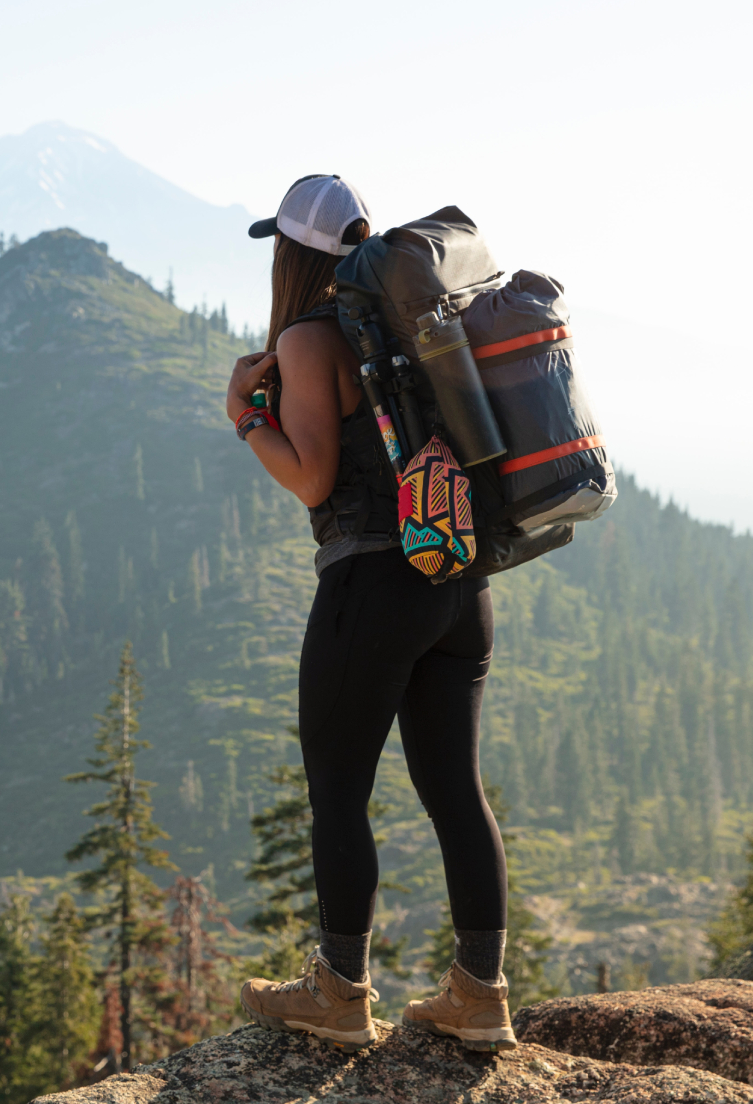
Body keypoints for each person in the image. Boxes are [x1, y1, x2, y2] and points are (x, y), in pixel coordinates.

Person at [230, 175, 517, 1053]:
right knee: (454, 791)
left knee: (338, 791)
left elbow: (315, 478)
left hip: (373, 584)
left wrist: (246, 418)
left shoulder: (311, 338)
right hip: (459, 580)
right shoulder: (413, 323)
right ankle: (480, 993)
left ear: (292, 251)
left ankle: (342, 991)